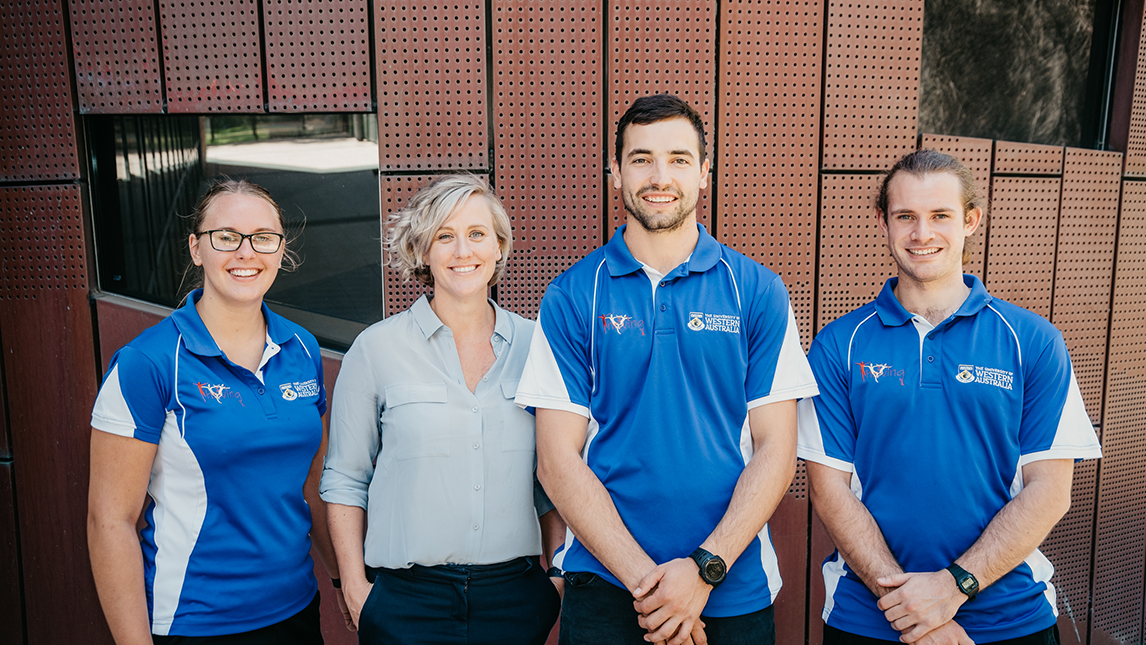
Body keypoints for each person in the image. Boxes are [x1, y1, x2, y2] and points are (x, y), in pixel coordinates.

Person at [514, 94, 819, 645]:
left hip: (731, 585)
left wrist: (703, 569)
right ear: (616, 173)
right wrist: (654, 590)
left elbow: (777, 450)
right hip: (606, 587)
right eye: (641, 158)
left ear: (705, 173)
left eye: (679, 158)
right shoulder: (572, 295)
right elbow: (556, 462)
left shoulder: (756, 291)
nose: (660, 176)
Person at [797, 149, 1103, 645]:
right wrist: (915, 612)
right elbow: (830, 492)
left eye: (940, 216)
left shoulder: (1032, 341)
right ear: (884, 222)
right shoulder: (840, 344)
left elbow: (1049, 490)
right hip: (869, 617)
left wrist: (953, 588)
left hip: (1011, 618)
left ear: (971, 220)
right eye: (906, 217)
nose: (922, 234)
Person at [88, 178, 343, 643]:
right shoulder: (148, 362)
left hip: (296, 610)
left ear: (281, 250)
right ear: (196, 248)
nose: (246, 253)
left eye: (264, 238)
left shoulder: (301, 347)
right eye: (226, 237)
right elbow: (110, 521)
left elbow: (314, 480)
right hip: (194, 621)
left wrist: (342, 580)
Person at [320, 174, 564, 645]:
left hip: (515, 599)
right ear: (422, 251)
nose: (462, 251)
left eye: (476, 234)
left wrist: (556, 577)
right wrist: (354, 586)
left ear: (499, 247)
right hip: (406, 603)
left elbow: (554, 477)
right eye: (444, 236)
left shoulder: (539, 349)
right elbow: (345, 480)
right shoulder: (376, 349)